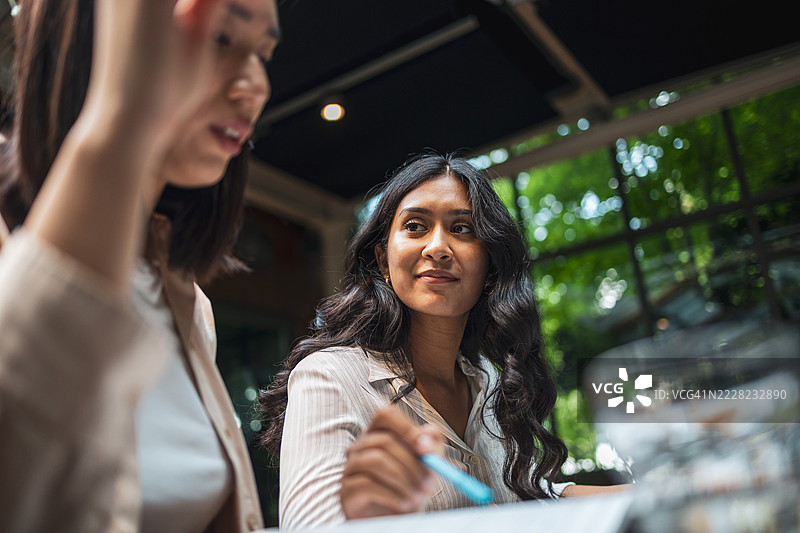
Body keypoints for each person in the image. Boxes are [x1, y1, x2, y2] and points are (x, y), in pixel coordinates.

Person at [0, 1, 280, 531]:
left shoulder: (189, 305)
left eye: (263, 54)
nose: (257, 86)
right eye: (220, 38)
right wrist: (122, 121)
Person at [259, 153, 628, 529]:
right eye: (415, 226)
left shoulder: (487, 381)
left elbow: (527, 494)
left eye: (462, 228)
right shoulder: (330, 376)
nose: (437, 247)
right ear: (384, 262)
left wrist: (649, 492)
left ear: (490, 268)